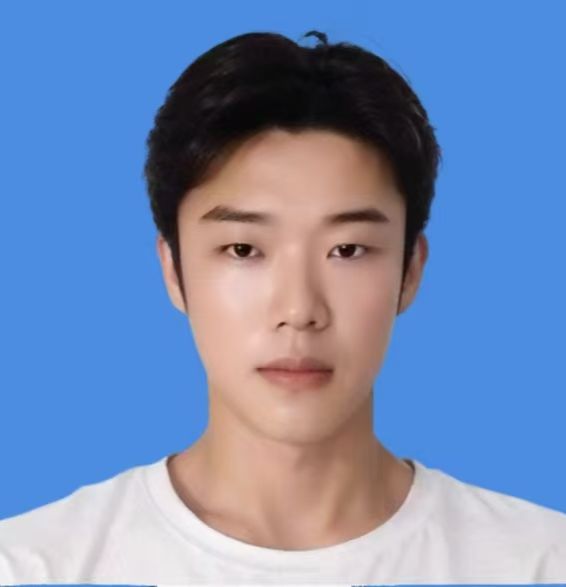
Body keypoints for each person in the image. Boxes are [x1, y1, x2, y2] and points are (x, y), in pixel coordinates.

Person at [1, 29, 565, 586]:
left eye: (348, 250)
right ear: (173, 269)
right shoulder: (33, 567)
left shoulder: (540, 563)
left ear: (410, 271)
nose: (299, 309)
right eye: (244, 250)